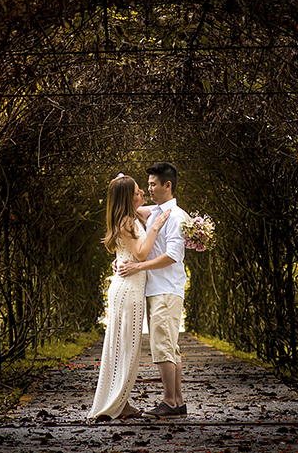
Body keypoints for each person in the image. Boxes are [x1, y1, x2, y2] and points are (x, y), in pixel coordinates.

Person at [88, 174, 171, 421]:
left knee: (122, 347)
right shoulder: (127, 221)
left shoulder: (129, 217)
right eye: (137, 192)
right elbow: (141, 254)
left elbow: (158, 208)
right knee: (127, 349)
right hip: (128, 290)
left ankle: (118, 400)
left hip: (126, 287)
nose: (143, 193)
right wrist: (155, 227)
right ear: (127, 198)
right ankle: (118, 403)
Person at [114, 161, 189, 418]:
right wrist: (122, 258)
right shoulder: (156, 212)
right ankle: (177, 402)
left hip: (166, 288)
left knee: (162, 346)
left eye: (153, 184)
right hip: (156, 288)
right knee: (170, 347)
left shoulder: (174, 216)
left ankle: (169, 401)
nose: (148, 189)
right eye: (146, 184)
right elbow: (127, 207)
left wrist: (138, 266)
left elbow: (173, 256)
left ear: (167, 185)